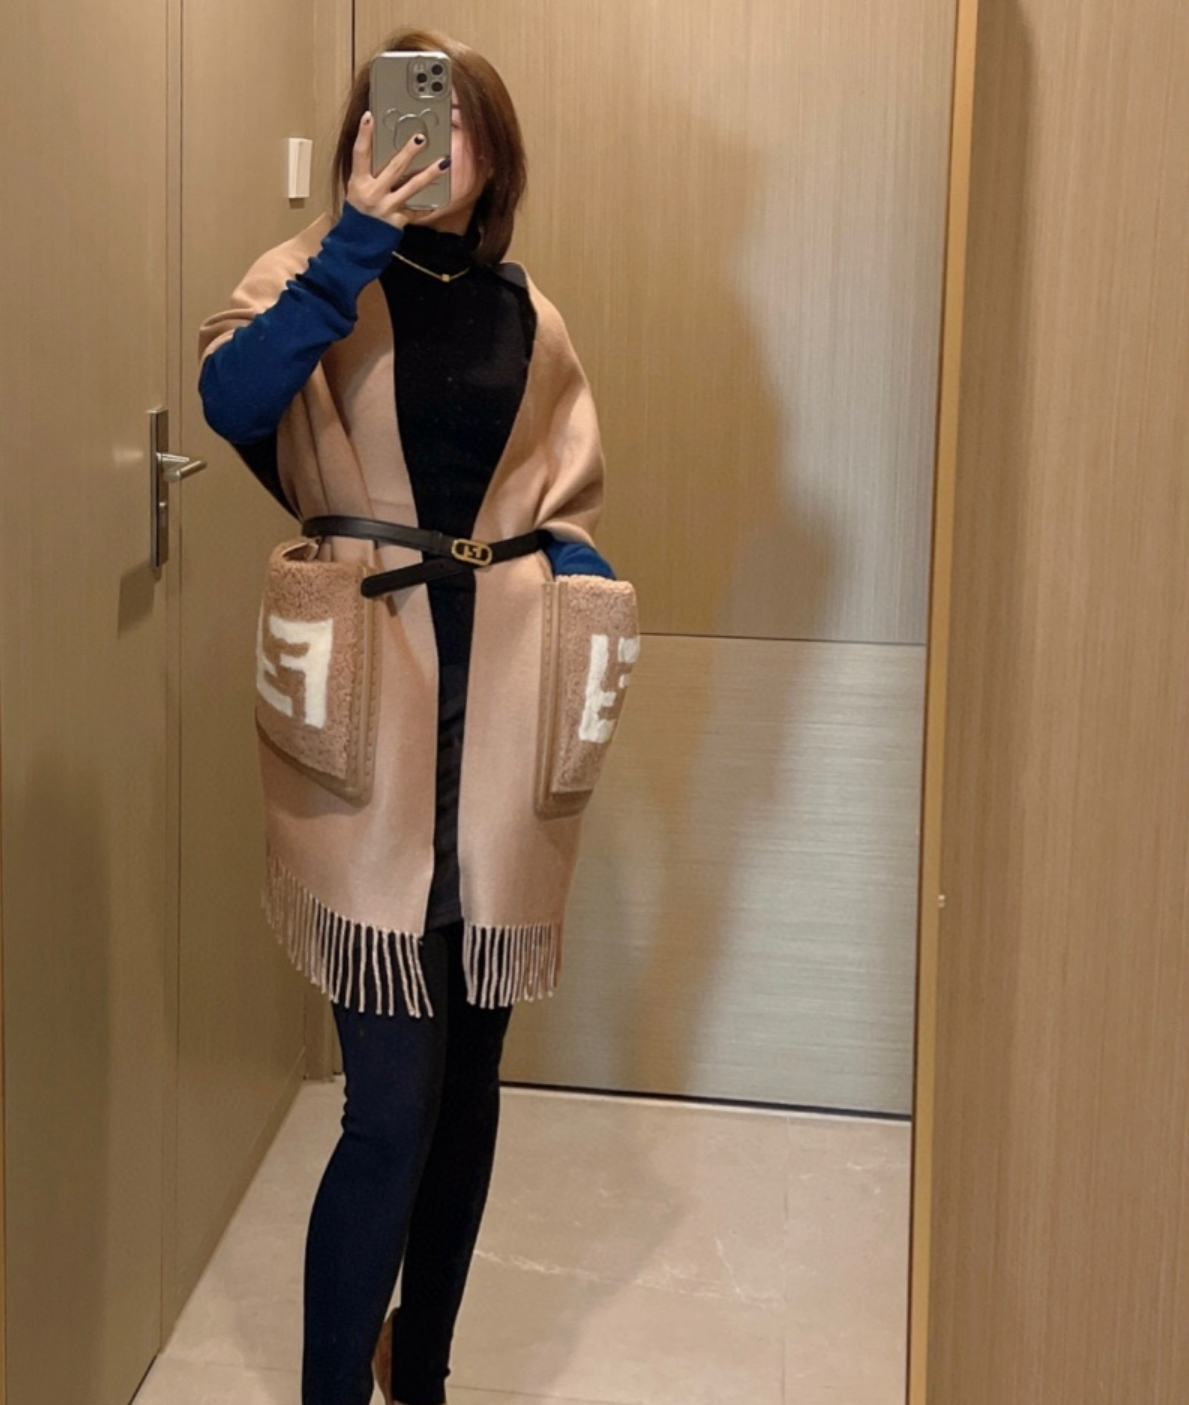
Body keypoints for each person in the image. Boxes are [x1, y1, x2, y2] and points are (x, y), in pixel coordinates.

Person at [196, 28, 616, 1405]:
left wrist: (577, 568)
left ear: (494, 152)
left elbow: (559, 491)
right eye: (409, 117)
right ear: (365, 133)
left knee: (468, 1099)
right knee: (388, 1111)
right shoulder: (312, 273)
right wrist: (351, 251)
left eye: (460, 123)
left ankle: (418, 1367)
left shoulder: (527, 312)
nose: (437, 145)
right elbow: (233, 398)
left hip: (500, 720)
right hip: (369, 712)